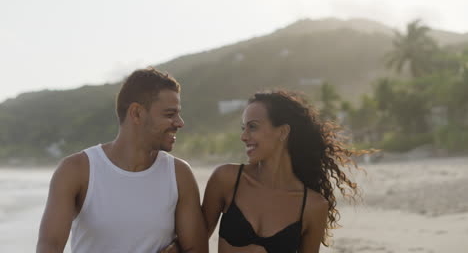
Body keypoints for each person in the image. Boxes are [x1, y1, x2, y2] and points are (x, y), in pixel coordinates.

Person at [36, 67, 208, 253]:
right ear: (137, 113)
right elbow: (49, 246)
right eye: (169, 114)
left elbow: (196, 250)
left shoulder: (179, 174)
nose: (180, 122)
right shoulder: (77, 170)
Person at [202, 90, 361, 253]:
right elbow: (193, 244)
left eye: (253, 127)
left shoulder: (313, 206)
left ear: (283, 132)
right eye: (244, 128)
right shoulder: (227, 179)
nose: (243, 136)